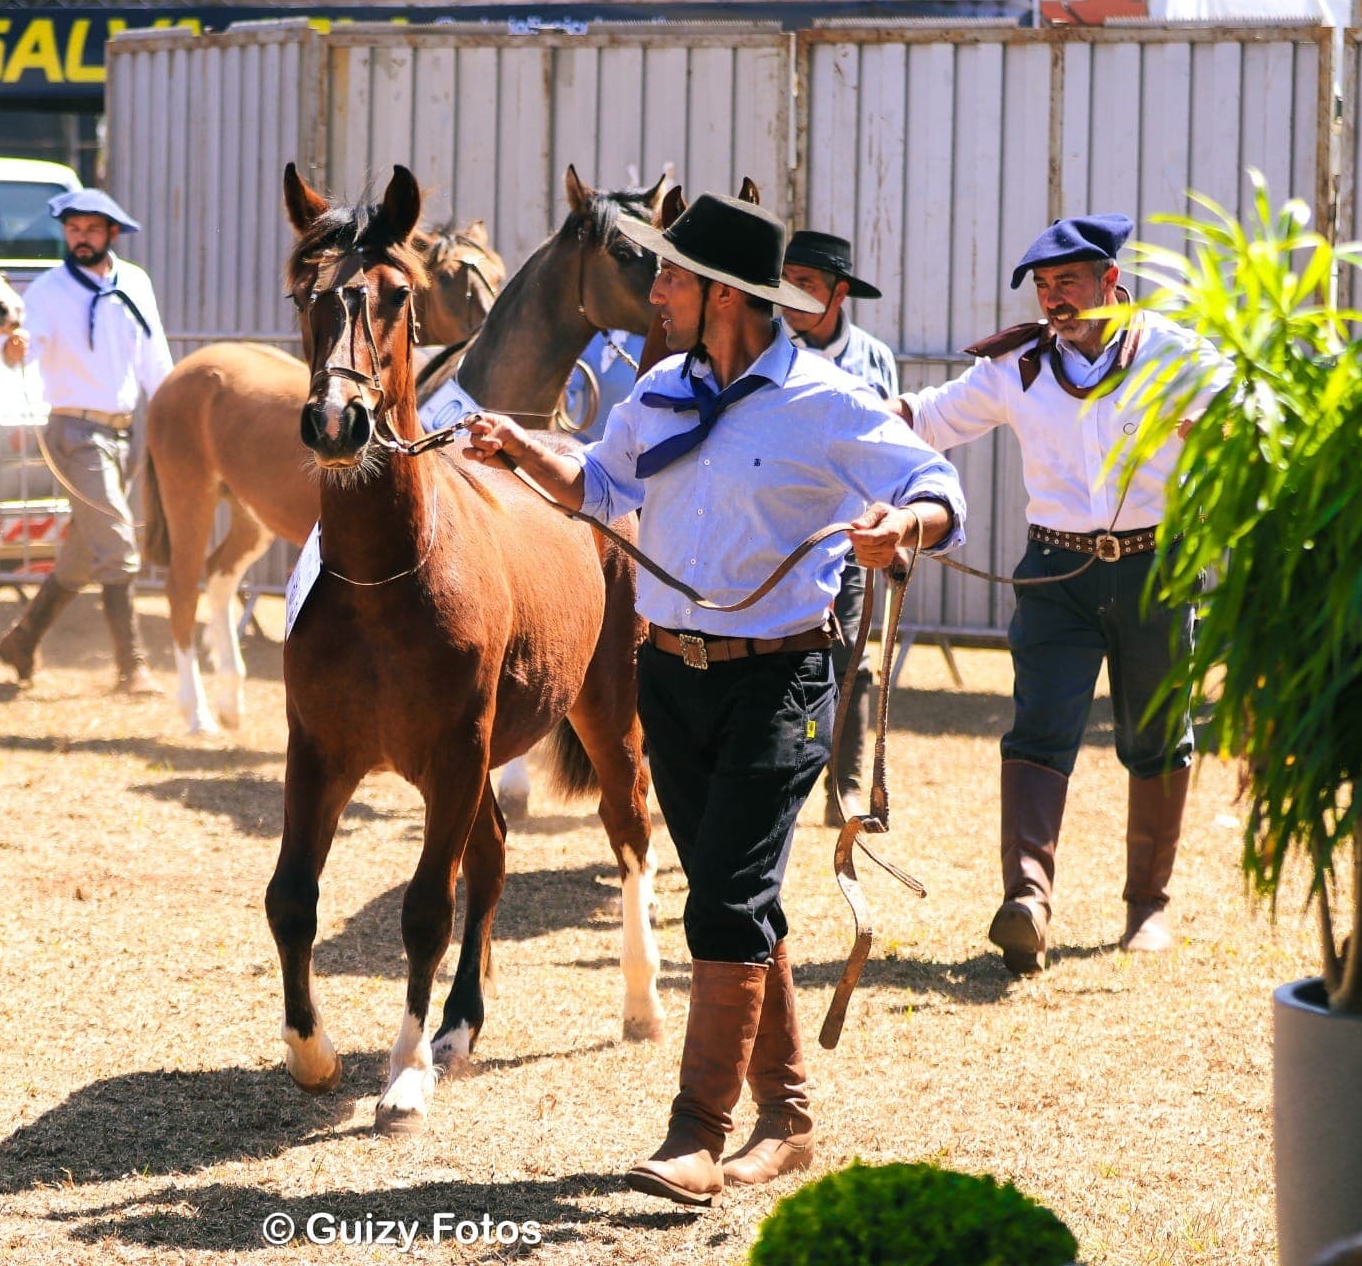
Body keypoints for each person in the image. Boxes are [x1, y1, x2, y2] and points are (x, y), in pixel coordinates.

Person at [462, 193, 966, 1206]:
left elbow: (939, 485)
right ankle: (789, 1118)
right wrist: (519, 447)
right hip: (669, 676)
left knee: (725, 899)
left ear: (724, 295)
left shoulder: (826, 400)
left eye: (672, 276)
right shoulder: (657, 391)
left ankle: (697, 1131)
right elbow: (599, 485)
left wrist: (900, 526)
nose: (656, 293)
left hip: (781, 678)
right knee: (740, 897)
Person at [887, 213, 1224, 975]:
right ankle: (1028, 903)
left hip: (1157, 567)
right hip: (1055, 573)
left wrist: (1214, 437)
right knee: (1039, 728)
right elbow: (932, 417)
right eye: (1043, 287)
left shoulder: (1175, 355)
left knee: (1155, 732)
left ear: (1111, 280)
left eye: (1067, 282)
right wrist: (856, 421)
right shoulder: (1020, 365)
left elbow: (1244, 428)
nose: (1053, 300)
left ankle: (1148, 905)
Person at [0, 189, 171, 695]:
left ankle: (22, 639)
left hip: (125, 432)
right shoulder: (47, 291)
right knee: (117, 545)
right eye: (73, 230)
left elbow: (155, 358)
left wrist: (174, 413)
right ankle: (132, 667)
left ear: (112, 232)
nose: (81, 239)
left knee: (84, 553)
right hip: (74, 433)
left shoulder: (135, 282)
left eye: (91, 229)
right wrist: (13, 349)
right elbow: (22, 351)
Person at [780, 231, 900, 826]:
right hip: (780, 537)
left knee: (851, 654)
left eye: (806, 284)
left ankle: (846, 786)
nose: (792, 295)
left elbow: (893, 447)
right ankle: (786, 777)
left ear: (840, 292)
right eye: (785, 282)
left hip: (853, 537)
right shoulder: (767, 352)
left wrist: (896, 522)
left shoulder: (875, 360)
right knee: (784, 657)